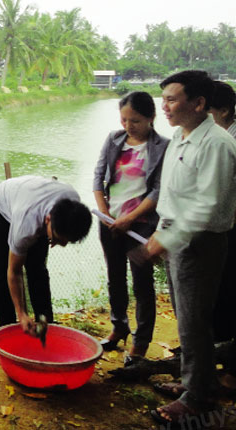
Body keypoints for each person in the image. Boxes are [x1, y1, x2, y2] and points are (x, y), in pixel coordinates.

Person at [146, 71, 236, 427]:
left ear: (198, 104)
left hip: (200, 242)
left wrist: (166, 239)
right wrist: (160, 231)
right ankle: (193, 381)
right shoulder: (181, 137)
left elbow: (208, 205)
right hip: (176, 236)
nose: (164, 106)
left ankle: (199, 397)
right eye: (163, 98)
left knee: (195, 320)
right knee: (186, 318)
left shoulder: (217, 144)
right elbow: (171, 195)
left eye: (171, 99)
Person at [93, 92, 169, 357]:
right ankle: (119, 327)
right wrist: (106, 215)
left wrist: (129, 219)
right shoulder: (114, 140)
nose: (128, 126)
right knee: (115, 278)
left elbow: (158, 191)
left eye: (135, 120)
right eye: (124, 119)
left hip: (142, 226)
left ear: (151, 118)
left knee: (142, 284)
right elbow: (98, 177)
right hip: (110, 223)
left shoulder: (163, 146)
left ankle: (140, 343)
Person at [0, 175, 92, 335]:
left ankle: (45, 323)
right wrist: (22, 314)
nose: (60, 245)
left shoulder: (73, 204)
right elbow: (14, 272)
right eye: (57, 239)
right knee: (3, 268)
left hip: (30, 199)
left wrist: (56, 237)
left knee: (38, 268)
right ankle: (6, 329)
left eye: (66, 241)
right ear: (48, 220)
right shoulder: (26, 225)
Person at [209, 81, 236, 392]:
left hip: (228, 230)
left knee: (228, 292)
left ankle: (229, 376)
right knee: (222, 295)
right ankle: (216, 353)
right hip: (224, 229)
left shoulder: (227, 141)